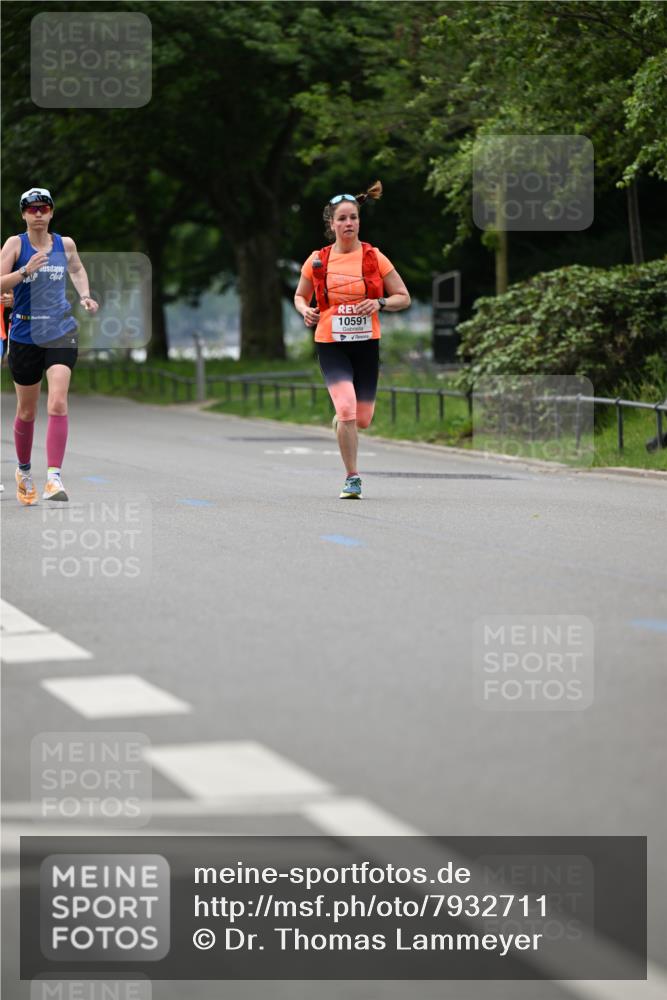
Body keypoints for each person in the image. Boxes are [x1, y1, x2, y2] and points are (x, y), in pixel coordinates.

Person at [294, 181, 410, 498]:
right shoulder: (317, 260)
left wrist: (379, 302)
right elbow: (300, 296)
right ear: (331, 224)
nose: (349, 223)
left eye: (353, 218)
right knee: (347, 408)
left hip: (366, 344)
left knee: (362, 419)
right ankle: (352, 477)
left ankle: (343, 421)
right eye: (342, 218)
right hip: (331, 344)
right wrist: (306, 310)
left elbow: (403, 297)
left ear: (359, 221)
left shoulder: (374, 257)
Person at [0, 187, 98, 505]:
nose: (39, 213)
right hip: (25, 332)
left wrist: (84, 295)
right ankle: (24, 471)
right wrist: (24, 270)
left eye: (44, 208)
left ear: (52, 212)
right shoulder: (15, 245)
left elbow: (77, 269)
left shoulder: (65, 244)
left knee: (57, 402)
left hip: (60, 329)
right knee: (27, 411)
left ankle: (54, 478)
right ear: (24, 214)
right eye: (32, 209)